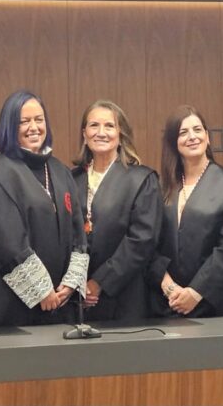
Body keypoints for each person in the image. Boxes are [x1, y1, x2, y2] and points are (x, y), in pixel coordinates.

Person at [0, 90, 89, 327]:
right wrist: (41, 290)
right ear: (9, 127)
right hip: (14, 307)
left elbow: (79, 235)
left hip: (62, 303)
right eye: (24, 121)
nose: (34, 127)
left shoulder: (60, 171)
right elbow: (7, 242)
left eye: (39, 119)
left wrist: (70, 284)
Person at [149, 105, 223, 318]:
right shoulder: (160, 186)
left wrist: (195, 293)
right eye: (183, 132)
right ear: (173, 142)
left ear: (207, 136)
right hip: (167, 303)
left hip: (217, 304)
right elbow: (149, 242)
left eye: (197, 130)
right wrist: (169, 287)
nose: (192, 137)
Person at [71, 100, 162, 321]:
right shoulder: (71, 179)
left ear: (121, 135)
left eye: (109, 126)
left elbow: (141, 240)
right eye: (94, 125)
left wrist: (99, 282)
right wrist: (75, 284)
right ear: (84, 134)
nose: (101, 132)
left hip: (124, 294)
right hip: (75, 298)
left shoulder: (142, 179)